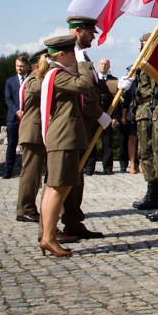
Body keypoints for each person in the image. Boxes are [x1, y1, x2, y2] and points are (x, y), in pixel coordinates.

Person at [37, 34, 96, 257]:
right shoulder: (57, 75)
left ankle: (48, 236)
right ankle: (48, 238)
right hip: (63, 139)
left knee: (57, 188)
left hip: (64, 138)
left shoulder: (56, 74)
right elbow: (85, 85)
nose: (74, 55)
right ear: (62, 54)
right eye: (72, 52)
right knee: (56, 188)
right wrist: (83, 62)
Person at [60, 15, 110, 240]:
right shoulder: (66, 57)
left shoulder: (82, 55)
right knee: (67, 175)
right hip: (73, 124)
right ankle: (63, 221)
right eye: (90, 33)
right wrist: (101, 116)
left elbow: (95, 86)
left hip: (82, 125)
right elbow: (80, 93)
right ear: (79, 31)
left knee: (77, 175)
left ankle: (73, 220)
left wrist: (121, 84)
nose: (93, 37)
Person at [122, 33, 158, 222]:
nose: (144, 47)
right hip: (144, 111)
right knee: (145, 153)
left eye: (148, 44)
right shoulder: (140, 64)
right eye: (142, 45)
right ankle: (152, 192)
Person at [15, 49, 46, 223]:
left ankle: (29, 207)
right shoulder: (33, 80)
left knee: (34, 173)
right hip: (32, 132)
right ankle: (25, 208)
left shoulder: (36, 79)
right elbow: (36, 91)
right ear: (37, 65)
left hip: (36, 131)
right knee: (31, 173)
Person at [84, 58, 118, 175]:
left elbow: (117, 101)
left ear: (109, 67)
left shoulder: (114, 81)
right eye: (102, 64)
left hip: (108, 115)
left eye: (106, 64)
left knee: (107, 142)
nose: (104, 66)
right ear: (98, 65)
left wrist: (115, 117)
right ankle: (89, 167)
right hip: (94, 115)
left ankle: (107, 167)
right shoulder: (93, 80)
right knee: (91, 142)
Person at [3, 55, 30, 179]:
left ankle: (28, 170)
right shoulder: (10, 81)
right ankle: (8, 170)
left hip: (28, 117)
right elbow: (8, 99)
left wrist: (26, 111)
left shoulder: (31, 79)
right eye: (17, 66)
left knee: (28, 145)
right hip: (13, 118)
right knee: (11, 145)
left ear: (27, 66)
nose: (19, 68)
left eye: (21, 66)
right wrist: (17, 111)